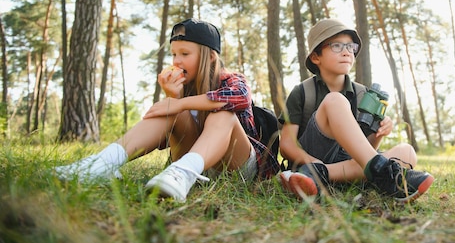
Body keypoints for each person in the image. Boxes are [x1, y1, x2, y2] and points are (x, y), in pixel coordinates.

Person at [54, 18, 279, 202]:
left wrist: (180, 103)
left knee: (223, 112)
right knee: (168, 111)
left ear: (210, 57)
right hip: (194, 162)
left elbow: (239, 98)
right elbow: (163, 142)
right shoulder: (184, 88)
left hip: (238, 168)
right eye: (173, 54)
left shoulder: (231, 79)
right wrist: (174, 99)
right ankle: (102, 163)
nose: (176, 61)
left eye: (184, 54)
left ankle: (183, 173)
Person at [278, 19, 434, 202]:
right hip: (313, 155)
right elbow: (287, 145)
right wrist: (312, 162)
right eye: (336, 46)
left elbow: (364, 150)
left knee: (407, 152)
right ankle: (379, 174)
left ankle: (319, 175)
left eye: (350, 46)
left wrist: (379, 133)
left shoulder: (363, 94)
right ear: (315, 57)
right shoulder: (303, 92)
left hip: (342, 165)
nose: (346, 52)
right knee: (335, 100)